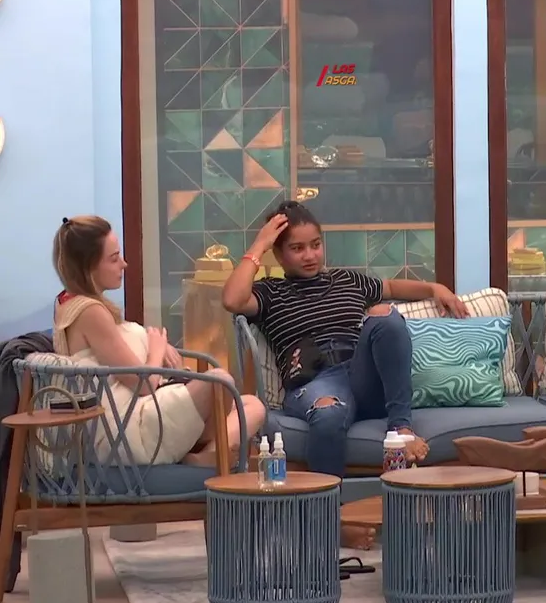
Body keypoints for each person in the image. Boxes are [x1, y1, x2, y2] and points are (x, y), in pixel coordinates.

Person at [221, 201, 469, 477]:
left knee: (384, 315)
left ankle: (401, 428)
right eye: (297, 248)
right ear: (278, 255)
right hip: (316, 380)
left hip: (362, 373)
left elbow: (390, 286)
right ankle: (325, 502)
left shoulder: (346, 280)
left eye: (316, 245)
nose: (310, 255)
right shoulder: (270, 293)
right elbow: (232, 300)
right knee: (328, 414)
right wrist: (259, 245)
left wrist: (435, 288)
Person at [51, 216, 266, 467]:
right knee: (221, 381)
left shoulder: (68, 302)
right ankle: (210, 456)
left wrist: (154, 345)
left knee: (253, 406)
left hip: (140, 413)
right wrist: (156, 349)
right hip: (127, 429)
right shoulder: (90, 312)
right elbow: (143, 384)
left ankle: (202, 458)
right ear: (89, 266)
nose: (124, 264)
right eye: (114, 258)